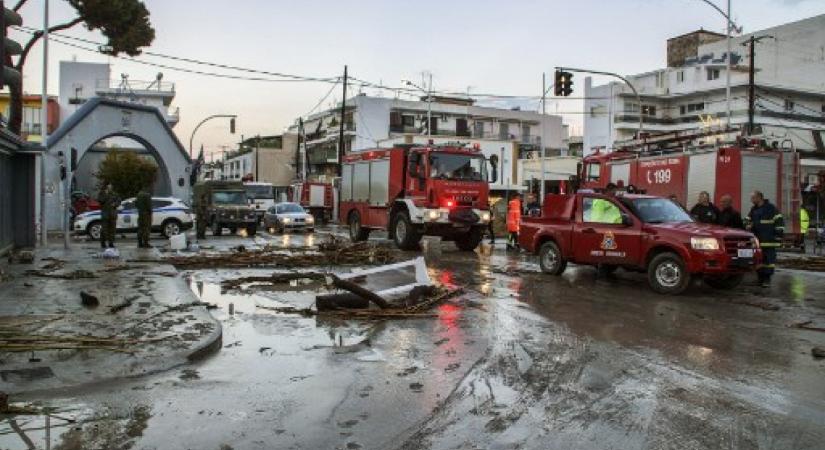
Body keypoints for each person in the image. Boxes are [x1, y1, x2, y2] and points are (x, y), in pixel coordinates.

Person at [747, 190, 783, 287]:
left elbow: (779, 222)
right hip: (757, 240)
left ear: (759, 197)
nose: (751, 200)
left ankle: (767, 279)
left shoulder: (771, 208)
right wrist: (747, 226)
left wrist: (778, 236)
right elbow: (747, 220)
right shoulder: (753, 209)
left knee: (768, 260)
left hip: (769, 240)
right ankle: (760, 279)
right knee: (758, 260)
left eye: (753, 198)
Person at [98, 184, 117, 249]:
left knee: (112, 230)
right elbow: (100, 201)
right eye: (109, 186)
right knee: (104, 230)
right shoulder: (102, 193)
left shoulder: (114, 194)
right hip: (105, 215)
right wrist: (106, 195)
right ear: (106, 187)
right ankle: (103, 243)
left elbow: (119, 200)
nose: (110, 188)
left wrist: (115, 204)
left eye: (111, 187)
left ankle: (111, 243)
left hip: (112, 214)